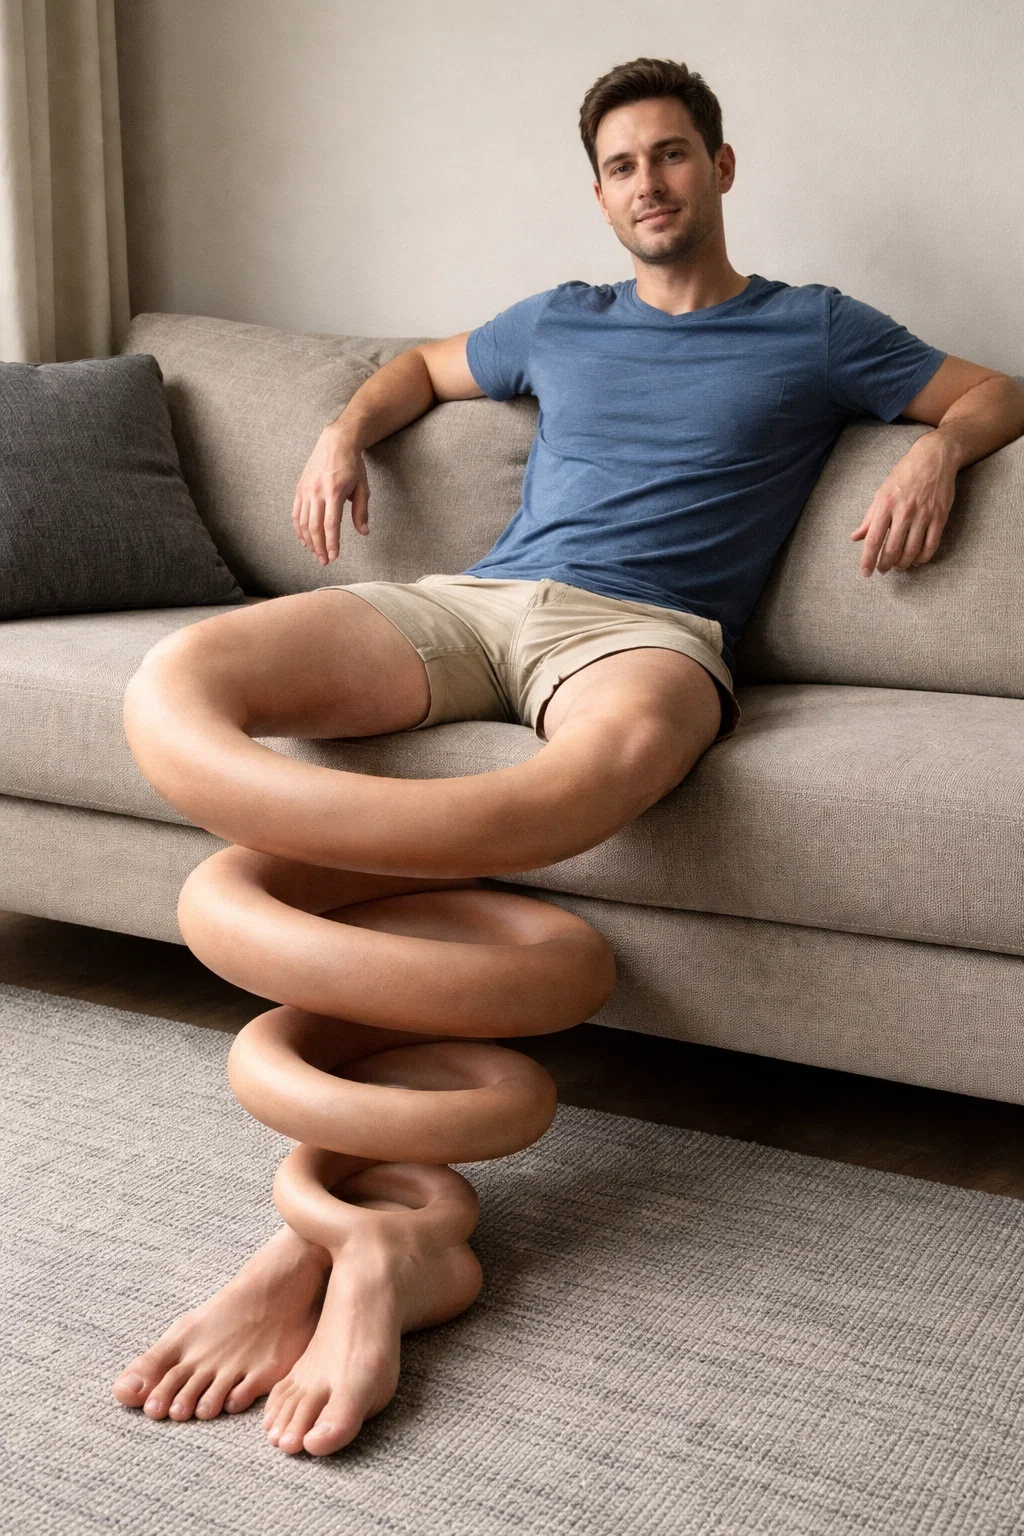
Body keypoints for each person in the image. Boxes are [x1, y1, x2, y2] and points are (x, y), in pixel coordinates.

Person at [111, 57, 1023, 1458]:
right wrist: (341, 434)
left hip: (644, 637)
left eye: (669, 156)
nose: (646, 185)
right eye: (618, 167)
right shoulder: (560, 320)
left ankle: (334, 1234)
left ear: (722, 168)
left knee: (593, 778)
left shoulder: (819, 330)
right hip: (475, 604)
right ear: (597, 194)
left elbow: (994, 389)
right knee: (185, 682)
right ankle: (371, 1233)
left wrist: (933, 457)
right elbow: (415, 367)